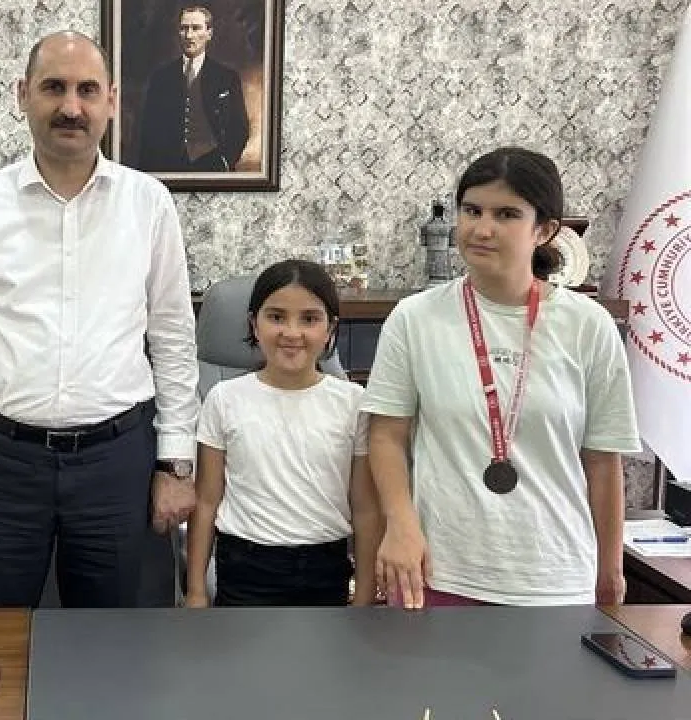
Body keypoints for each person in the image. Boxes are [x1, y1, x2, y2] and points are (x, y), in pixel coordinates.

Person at [0, 30, 200, 609]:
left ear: (111, 101)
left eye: (87, 90)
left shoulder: (148, 203)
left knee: (111, 643)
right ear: (23, 95)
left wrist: (175, 463)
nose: (72, 107)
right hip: (2, 465)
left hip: (116, 463)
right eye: (54, 88)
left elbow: (172, 338)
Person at [363, 147, 640, 609]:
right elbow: (386, 435)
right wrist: (401, 523)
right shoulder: (415, 318)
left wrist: (610, 571)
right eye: (472, 210)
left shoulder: (588, 325)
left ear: (545, 230)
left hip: (555, 577)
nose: (482, 228)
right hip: (438, 572)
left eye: (507, 214)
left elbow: (602, 461)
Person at [186, 260, 382, 607]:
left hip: (325, 570)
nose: (292, 333)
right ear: (254, 324)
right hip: (245, 570)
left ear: (331, 328)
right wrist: (196, 591)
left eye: (309, 319)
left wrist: (364, 595)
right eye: (276, 317)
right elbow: (205, 502)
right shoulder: (224, 399)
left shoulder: (354, 403)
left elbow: (366, 508)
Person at [137, 5, 249, 173]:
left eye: (196, 28)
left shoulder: (227, 77)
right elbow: (148, 130)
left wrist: (225, 161)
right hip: (167, 167)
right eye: (184, 28)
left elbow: (240, 128)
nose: (189, 35)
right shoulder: (160, 78)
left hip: (212, 166)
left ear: (209, 33)